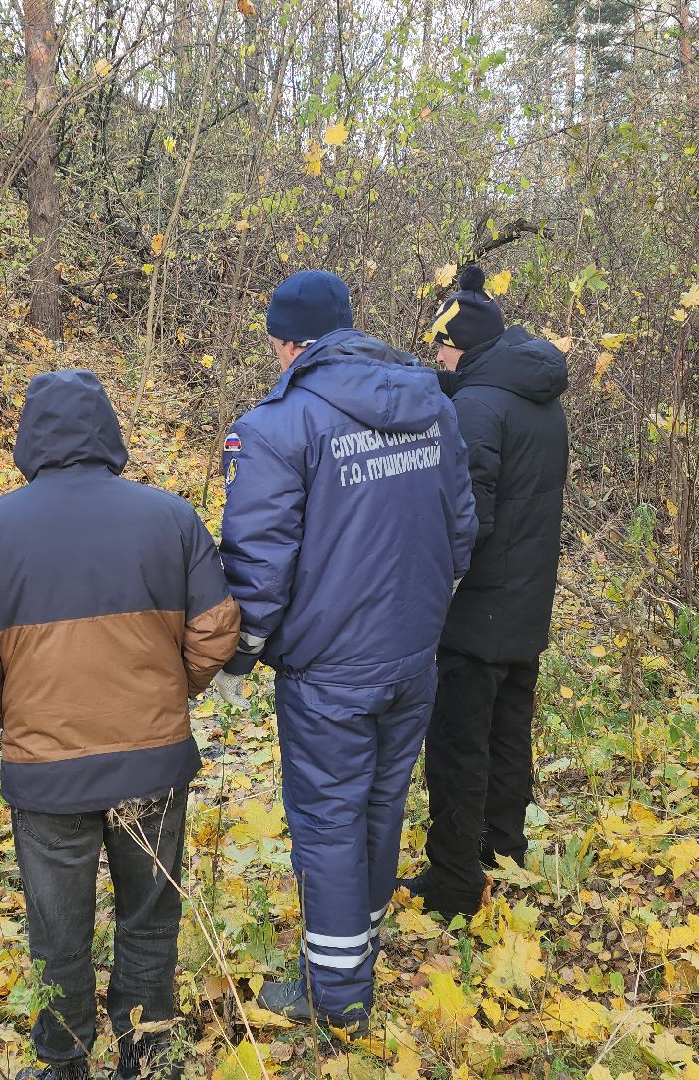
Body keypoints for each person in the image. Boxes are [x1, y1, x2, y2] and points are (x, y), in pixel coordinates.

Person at [0, 370, 239, 1080]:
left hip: (47, 775)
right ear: (108, 431)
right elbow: (216, 631)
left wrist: (17, 715)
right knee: (150, 916)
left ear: (29, 438)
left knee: (58, 931)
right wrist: (170, 693)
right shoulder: (171, 517)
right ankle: (146, 1051)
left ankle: (64, 1060)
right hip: (152, 764)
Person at [217, 270, 477, 1033]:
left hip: (329, 670)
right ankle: (353, 954)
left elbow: (259, 563)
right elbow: (461, 530)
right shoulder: (432, 404)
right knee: (379, 805)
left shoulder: (277, 427)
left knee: (330, 820)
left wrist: (239, 655)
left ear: (287, 342)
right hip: (412, 655)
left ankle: (336, 997)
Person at [404, 264, 570, 918]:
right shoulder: (538, 395)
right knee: (507, 738)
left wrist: (425, 587)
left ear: (463, 345)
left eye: (442, 348)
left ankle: (454, 882)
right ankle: (504, 856)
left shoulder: (476, 407)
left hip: (476, 610)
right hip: (526, 601)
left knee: (457, 747)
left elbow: (467, 521)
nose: (437, 358)